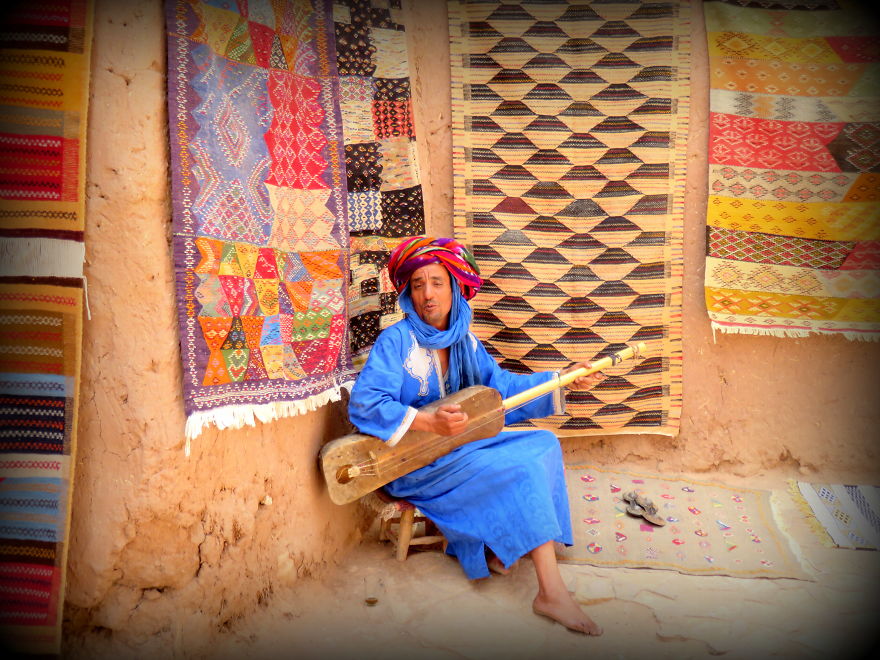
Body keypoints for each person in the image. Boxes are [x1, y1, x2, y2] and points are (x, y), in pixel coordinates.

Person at [348, 236, 606, 636]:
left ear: (454, 287)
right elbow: (365, 404)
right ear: (407, 292)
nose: (427, 295)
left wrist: (565, 378)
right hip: (415, 463)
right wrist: (428, 422)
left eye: (436, 282)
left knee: (542, 445)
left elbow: (498, 391)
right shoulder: (396, 341)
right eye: (417, 285)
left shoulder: (465, 340)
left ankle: (506, 544)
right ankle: (550, 592)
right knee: (518, 469)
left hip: (459, 450)